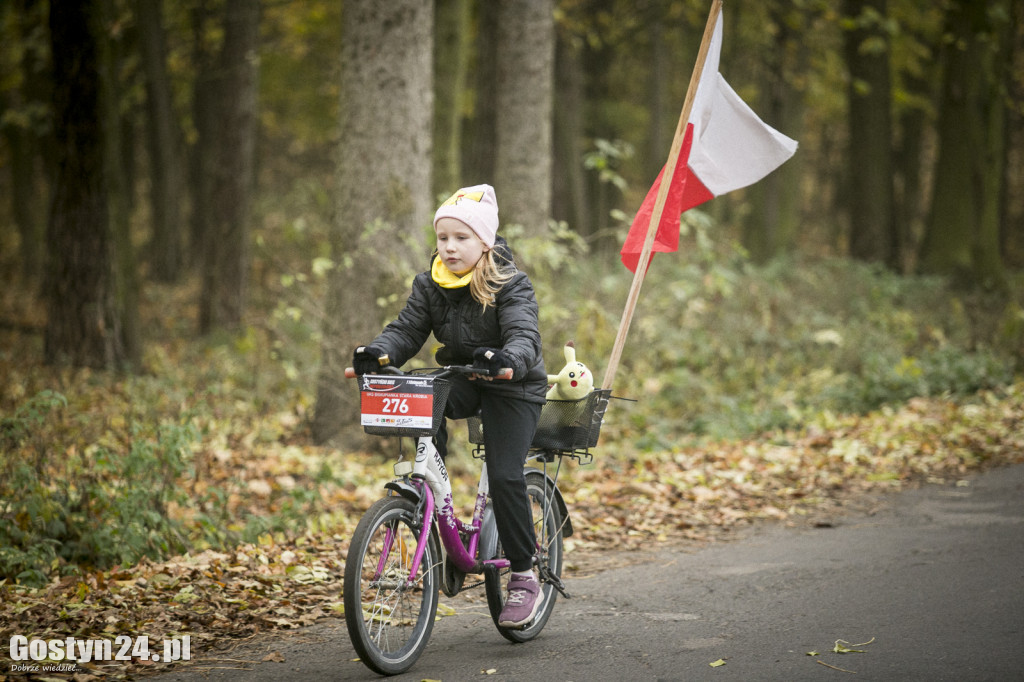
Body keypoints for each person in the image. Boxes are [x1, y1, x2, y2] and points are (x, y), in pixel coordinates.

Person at [352, 184, 548, 628]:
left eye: (461, 238)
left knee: (504, 475)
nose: (450, 247)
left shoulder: (511, 283)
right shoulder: (431, 283)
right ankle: (434, 514)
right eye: (443, 238)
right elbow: (406, 330)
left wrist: (509, 359)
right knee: (424, 399)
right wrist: (379, 354)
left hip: (510, 385)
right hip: (464, 377)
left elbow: (524, 336)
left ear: (484, 242)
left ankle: (523, 575)